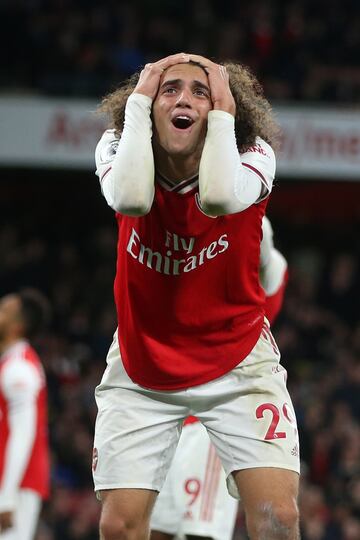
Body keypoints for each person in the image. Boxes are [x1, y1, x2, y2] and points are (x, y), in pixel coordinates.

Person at [93, 52, 300, 540]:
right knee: (120, 527)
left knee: (279, 519)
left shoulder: (254, 153)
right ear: (145, 101)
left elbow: (219, 198)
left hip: (237, 362)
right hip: (143, 364)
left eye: (200, 91)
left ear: (224, 107)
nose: (183, 98)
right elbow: (131, 199)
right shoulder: (117, 144)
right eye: (169, 89)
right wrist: (139, 103)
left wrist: (225, 114)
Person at [150, 216, 289, 540]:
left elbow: (264, 237)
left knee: (202, 531)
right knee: (157, 529)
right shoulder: (199, 277)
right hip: (169, 419)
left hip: (210, 422)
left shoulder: (262, 281)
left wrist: (235, 205)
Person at [0, 289, 50, 539]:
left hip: (16, 487)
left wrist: (7, 498)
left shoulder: (19, 368)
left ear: (17, 326)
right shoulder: (9, 363)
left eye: (3, 311)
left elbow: (23, 434)